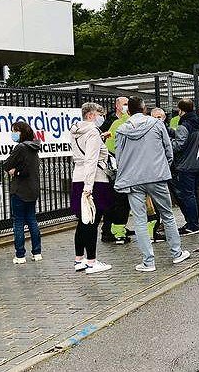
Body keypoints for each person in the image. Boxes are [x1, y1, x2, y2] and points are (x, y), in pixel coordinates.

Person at [115, 97, 191, 272]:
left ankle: (148, 262)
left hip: (133, 179)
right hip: (156, 175)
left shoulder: (122, 130)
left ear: (128, 111)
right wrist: (163, 166)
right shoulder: (157, 124)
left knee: (140, 220)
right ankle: (177, 253)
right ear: (144, 109)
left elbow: (119, 156)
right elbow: (168, 149)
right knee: (167, 215)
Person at [69, 102, 113, 274]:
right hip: (95, 180)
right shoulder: (93, 132)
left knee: (83, 220)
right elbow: (91, 159)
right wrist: (89, 187)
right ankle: (92, 261)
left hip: (78, 177)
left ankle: (79, 259)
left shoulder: (76, 131)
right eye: (99, 114)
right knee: (92, 221)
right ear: (90, 115)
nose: (102, 117)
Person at [3, 121, 43, 264]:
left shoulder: (20, 147)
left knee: (18, 222)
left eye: (15, 131)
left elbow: (7, 164)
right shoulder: (34, 146)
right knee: (32, 220)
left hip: (20, 190)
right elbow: (29, 168)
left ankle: (20, 255)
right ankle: (37, 252)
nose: (13, 134)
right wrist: (18, 170)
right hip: (32, 189)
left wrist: (15, 171)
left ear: (22, 132)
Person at [172, 99, 199, 235]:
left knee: (188, 195)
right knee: (194, 195)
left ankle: (192, 225)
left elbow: (179, 145)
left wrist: (168, 143)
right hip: (198, 163)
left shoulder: (184, 125)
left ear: (181, 110)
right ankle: (194, 223)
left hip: (186, 165)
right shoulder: (198, 123)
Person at [100, 96, 131, 244]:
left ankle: (118, 227)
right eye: (124, 104)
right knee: (115, 200)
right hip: (113, 166)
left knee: (121, 201)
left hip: (121, 165)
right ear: (117, 106)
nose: (126, 106)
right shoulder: (111, 121)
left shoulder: (125, 120)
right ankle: (108, 230)